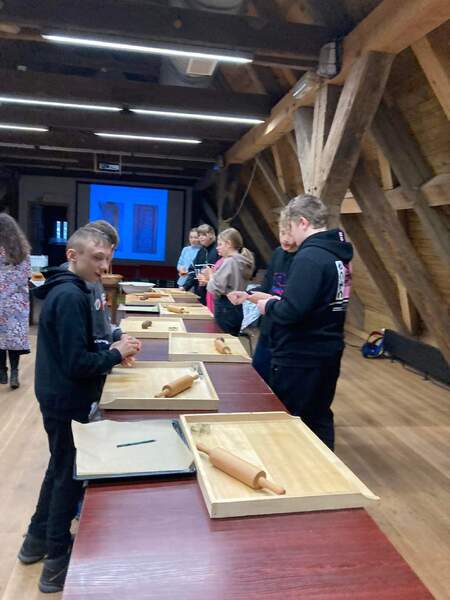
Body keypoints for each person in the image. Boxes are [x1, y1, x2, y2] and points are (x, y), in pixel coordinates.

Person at [18, 226, 140, 593]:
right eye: (98, 258)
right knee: (68, 476)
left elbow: (87, 344)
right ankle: (56, 561)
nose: (105, 266)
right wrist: (115, 354)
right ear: (73, 256)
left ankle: (35, 542)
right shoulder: (69, 296)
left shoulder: (77, 288)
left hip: (62, 394)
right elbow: (77, 363)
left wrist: (112, 347)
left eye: (108, 259)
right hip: (65, 397)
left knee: (59, 468)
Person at [256, 194, 353, 451]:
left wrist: (268, 305)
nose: (291, 237)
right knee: (319, 417)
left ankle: (293, 470)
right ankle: (325, 470)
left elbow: (292, 311)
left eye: (290, 228)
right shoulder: (338, 256)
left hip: (300, 356)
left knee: (291, 422)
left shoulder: (310, 256)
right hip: (328, 350)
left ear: (302, 222)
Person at [228, 209, 297, 384]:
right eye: (282, 233)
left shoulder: (303, 259)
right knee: (257, 377)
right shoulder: (278, 254)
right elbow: (266, 287)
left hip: (287, 336)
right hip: (268, 329)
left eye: (290, 234)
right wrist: (247, 295)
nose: (285, 239)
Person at [199, 228, 254, 336]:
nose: (217, 247)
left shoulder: (229, 262)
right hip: (237, 308)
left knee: (222, 338)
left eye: (220, 244)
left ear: (228, 244)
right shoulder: (241, 261)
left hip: (225, 308)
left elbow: (215, 288)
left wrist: (210, 275)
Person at [0, 213, 31, 390]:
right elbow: (24, 276)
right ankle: (14, 373)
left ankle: (2, 371)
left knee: (0, 338)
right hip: (17, 301)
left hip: (1, 300)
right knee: (14, 339)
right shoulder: (22, 250)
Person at [183, 224, 219, 305]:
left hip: (214, 297)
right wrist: (185, 287)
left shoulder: (218, 251)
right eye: (199, 235)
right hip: (200, 295)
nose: (201, 238)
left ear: (211, 235)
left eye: (204, 235)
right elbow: (192, 270)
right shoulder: (201, 252)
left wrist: (208, 280)